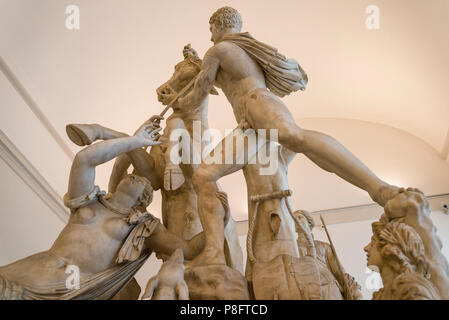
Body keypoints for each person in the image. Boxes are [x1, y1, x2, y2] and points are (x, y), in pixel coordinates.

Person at [169, 6, 399, 266]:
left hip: (258, 104)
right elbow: (224, 80)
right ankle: (213, 250)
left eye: (211, 29)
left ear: (219, 25)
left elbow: (200, 92)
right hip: (249, 124)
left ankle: (378, 188)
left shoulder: (219, 50)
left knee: (296, 138)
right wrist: (199, 65)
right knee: (203, 176)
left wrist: (176, 98)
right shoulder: (236, 51)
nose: (210, 36)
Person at [0, 122, 205, 300]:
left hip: (74, 289)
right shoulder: (89, 200)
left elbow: (189, 248)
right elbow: (84, 160)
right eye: (132, 174)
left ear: (145, 198)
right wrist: (135, 140)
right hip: (33, 272)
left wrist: (218, 217)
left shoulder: (144, 226)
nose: (134, 176)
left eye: (141, 180)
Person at [364, 214, 440, 299]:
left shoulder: (413, 291)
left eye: (373, 242)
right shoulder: (380, 295)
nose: (366, 248)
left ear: (388, 248)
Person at [294, 210, 362, 300]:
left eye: (300, 217)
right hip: (306, 293)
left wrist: (356, 292)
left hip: (329, 290)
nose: (296, 220)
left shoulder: (323, 246)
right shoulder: (290, 249)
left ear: (309, 222)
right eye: (293, 219)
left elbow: (340, 273)